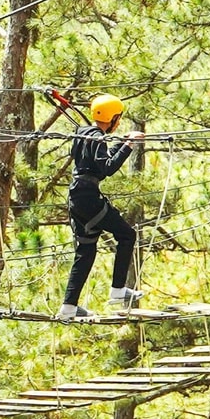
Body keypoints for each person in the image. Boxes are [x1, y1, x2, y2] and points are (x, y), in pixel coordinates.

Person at [59, 95, 141, 320]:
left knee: (86, 250)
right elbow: (107, 168)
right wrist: (128, 145)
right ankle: (117, 290)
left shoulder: (83, 134)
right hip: (88, 196)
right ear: (113, 118)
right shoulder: (96, 138)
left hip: (76, 196)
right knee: (127, 235)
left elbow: (94, 159)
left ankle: (68, 307)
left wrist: (118, 143)